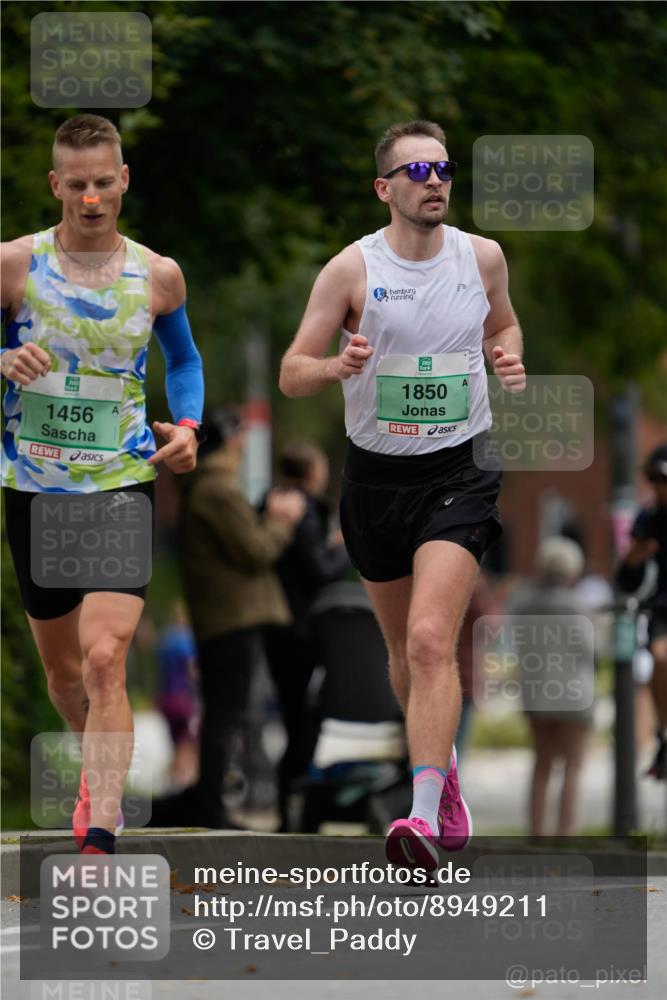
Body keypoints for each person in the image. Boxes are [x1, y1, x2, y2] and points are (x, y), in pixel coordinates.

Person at [280, 120, 526, 870]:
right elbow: (292, 369)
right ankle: (441, 770)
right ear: (384, 188)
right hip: (375, 479)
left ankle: (418, 817)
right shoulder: (348, 270)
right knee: (400, 649)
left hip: (460, 470)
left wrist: (507, 355)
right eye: (416, 170)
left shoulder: (480, 257)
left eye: (442, 167)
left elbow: (506, 324)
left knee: (428, 639)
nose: (433, 180)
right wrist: (333, 366)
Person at [1, 114, 204, 854]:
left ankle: (101, 826)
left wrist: (186, 426)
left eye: (103, 183)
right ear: (56, 185)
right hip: (34, 487)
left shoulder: (157, 274)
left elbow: (183, 361)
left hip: (121, 481)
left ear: (123, 181)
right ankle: (96, 767)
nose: (91, 198)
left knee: (104, 657)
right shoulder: (14, 266)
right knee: (63, 679)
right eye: (76, 185)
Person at [175, 408, 305, 828]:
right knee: (225, 713)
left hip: (225, 619)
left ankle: (207, 801)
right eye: (238, 442)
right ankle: (211, 806)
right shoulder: (216, 489)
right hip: (230, 619)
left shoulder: (208, 488)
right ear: (227, 445)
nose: (242, 449)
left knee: (224, 711)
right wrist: (281, 522)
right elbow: (254, 550)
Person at [263, 439, 350, 830]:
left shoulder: (269, 501)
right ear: (313, 472)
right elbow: (319, 570)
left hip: (273, 622)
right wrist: (342, 549)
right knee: (305, 720)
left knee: (292, 715)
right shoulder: (306, 511)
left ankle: (291, 803)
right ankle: (296, 805)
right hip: (303, 628)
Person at [507, 537, 595, 836]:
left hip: (538, 695)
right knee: (573, 767)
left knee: (542, 765)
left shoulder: (524, 604)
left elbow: (515, 645)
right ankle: (565, 833)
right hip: (575, 696)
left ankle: (536, 832)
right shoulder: (578, 606)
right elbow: (592, 649)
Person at [616, 443, 667, 779]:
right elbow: (627, 580)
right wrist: (635, 557)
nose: (659, 488)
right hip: (663, 606)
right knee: (660, 657)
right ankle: (664, 734)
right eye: (655, 480)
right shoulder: (648, 519)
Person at [156, 600, 200, 790]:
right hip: (183, 699)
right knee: (189, 744)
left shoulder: (166, 639)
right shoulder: (187, 640)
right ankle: (185, 784)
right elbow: (192, 670)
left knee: (176, 744)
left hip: (165, 699)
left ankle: (170, 782)